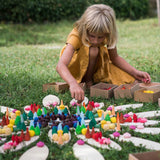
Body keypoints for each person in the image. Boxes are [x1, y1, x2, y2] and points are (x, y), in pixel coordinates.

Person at [56, 4, 151, 103]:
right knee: (94, 50)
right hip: (75, 68)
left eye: (100, 37)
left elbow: (115, 58)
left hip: (97, 66)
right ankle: (88, 81)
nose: (96, 41)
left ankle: (92, 78)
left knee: (132, 80)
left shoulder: (108, 34)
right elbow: (60, 66)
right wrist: (73, 84)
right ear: (85, 29)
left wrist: (135, 72)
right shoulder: (77, 34)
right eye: (92, 36)